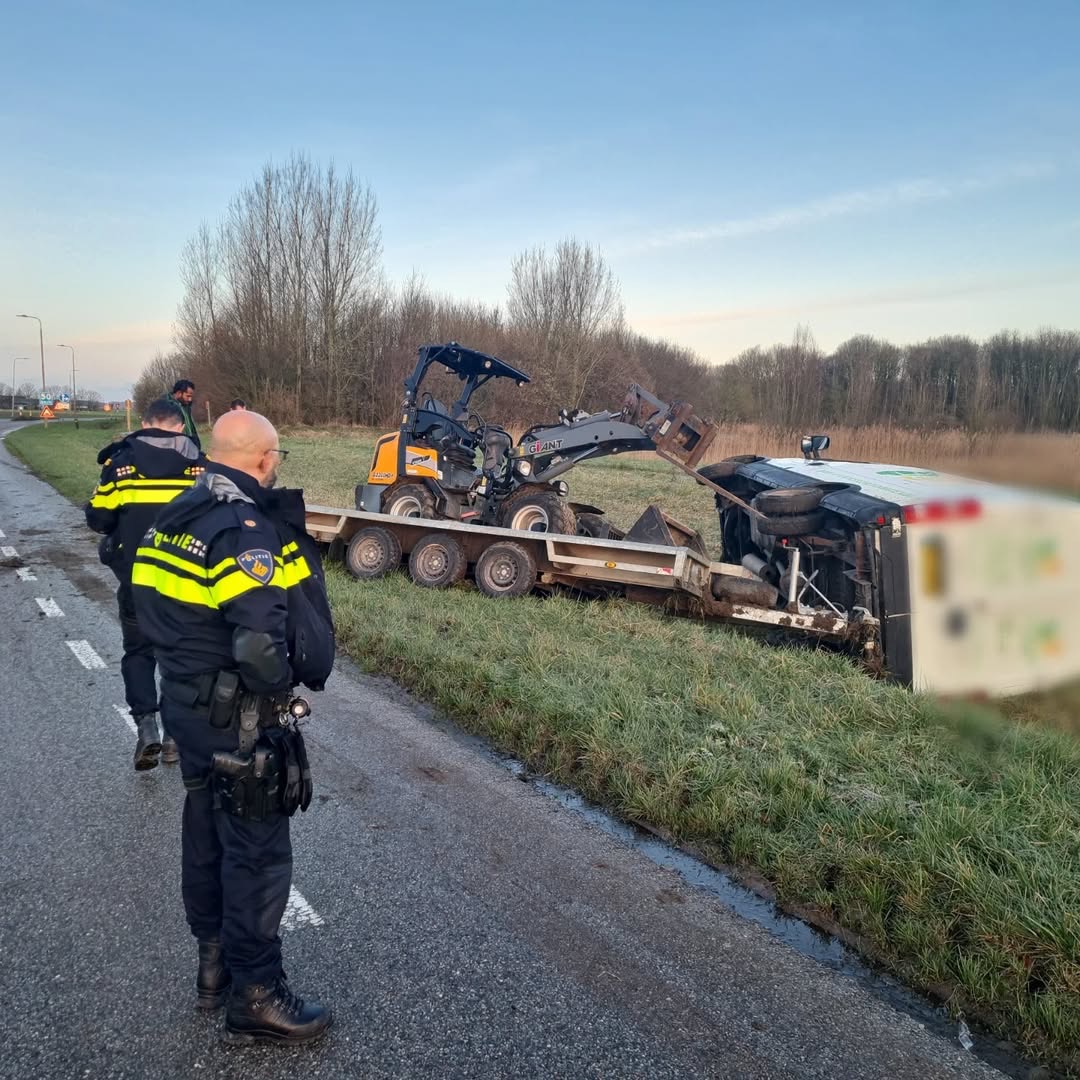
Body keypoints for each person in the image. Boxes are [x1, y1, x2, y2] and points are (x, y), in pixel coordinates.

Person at [131, 410, 335, 1045]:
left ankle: (213, 970)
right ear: (266, 459)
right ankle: (256, 996)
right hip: (236, 719)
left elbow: (145, 607)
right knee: (256, 854)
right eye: (276, 458)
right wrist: (278, 701)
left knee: (205, 833)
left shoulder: (175, 513)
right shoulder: (243, 528)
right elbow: (257, 646)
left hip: (185, 708)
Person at [85, 398, 205, 769]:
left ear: (144, 422)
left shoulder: (120, 464)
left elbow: (98, 519)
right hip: (185, 583)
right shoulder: (199, 465)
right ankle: (173, 738)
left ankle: (147, 726)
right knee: (179, 656)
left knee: (138, 652)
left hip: (137, 580)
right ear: (180, 427)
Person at [171, 379, 201, 450]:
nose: (190, 399)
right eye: (188, 396)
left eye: (191, 396)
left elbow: (191, 430)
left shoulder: (186, 407)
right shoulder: (168, 408)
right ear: (179, 393)